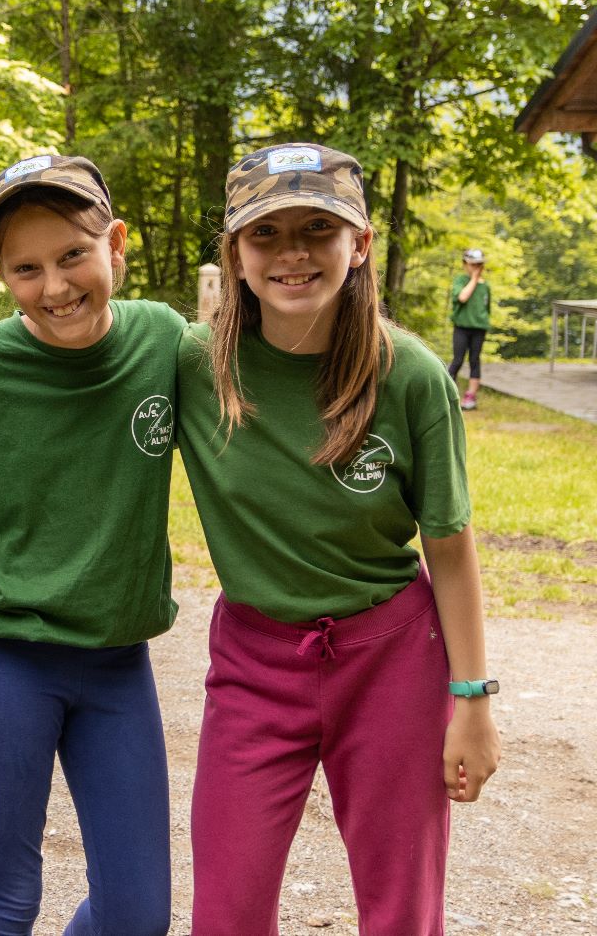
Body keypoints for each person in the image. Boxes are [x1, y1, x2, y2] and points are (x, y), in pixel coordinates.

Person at [178, 143, 501, 936]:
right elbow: (74, 338)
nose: (292, 252)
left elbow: (450, 547)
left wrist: (472, 701)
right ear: (235, 254)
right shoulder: (194, 365)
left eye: (317, 228)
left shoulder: (410, 374)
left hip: (392, 659)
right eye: (266, 233)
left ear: (360, 245)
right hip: (255, 662)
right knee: (226, 909)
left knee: (401, 908)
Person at [0, 155, 181, 936]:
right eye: (26, 268)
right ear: (0, 274)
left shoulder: (162, 341)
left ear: (116, 242)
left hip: (117, 661)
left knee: (138, 915)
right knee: (6, 900)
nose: (55, 286)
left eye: (73, 255)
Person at [448, 247, 490, 410]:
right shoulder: (460, 281)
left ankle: (471, 397)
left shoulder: (485, 286)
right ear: (465, 264)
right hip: (462, 327)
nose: (476, 268)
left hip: (479, 328)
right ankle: (448, 392)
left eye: (478, 265)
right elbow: (462, 297)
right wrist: (473, 279)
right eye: (473, 264)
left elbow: (486, 308)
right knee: (458, 360)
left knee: (475, 360)